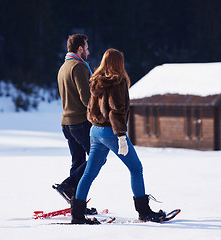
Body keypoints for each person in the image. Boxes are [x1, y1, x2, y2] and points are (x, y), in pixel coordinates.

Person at [70, 48, 166, 224]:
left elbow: (91, 109)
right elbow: (116, 111)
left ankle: (77, 215)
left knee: (89, 173)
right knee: (136, 168)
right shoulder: (117, 82)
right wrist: (121, 136)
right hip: (111, 132)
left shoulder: (96, 81)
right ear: (118, 63)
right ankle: (143, 211)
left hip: (95, 131)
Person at [55, 33, 97, 214]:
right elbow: (86, 98)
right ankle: (69, 184)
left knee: (78, 161)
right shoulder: (79, 66)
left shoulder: (63, 67)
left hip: (67, 123)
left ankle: (78, 204)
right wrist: (100, 115)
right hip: (80, 123)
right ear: (80, 49)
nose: (88, 51)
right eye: (86, 47)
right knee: (97, 159)